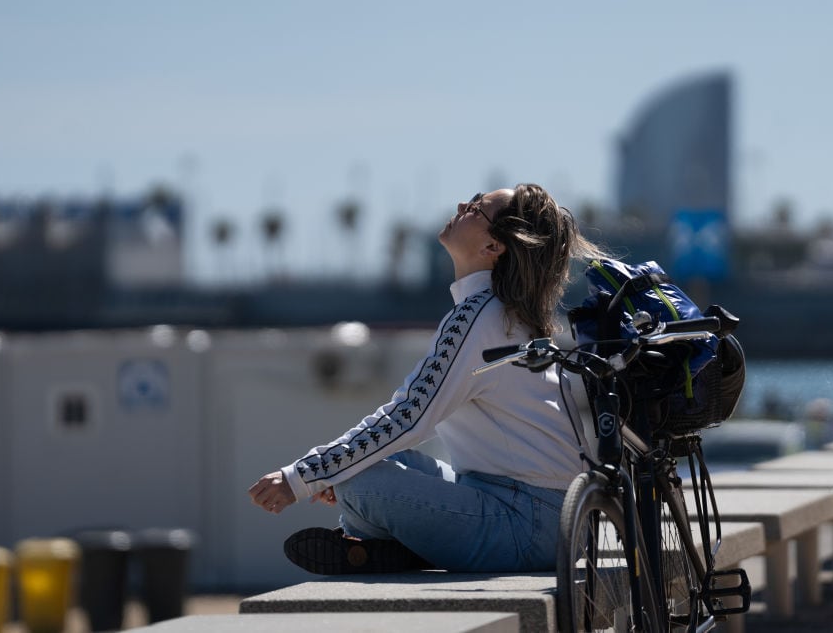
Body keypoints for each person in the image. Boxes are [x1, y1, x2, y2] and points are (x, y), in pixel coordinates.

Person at [248, 183, 606, 574]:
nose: (460, 206)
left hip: (528, 524)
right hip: (546, 517)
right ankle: (388, 547)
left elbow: (408, 417)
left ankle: (375, 546)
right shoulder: (505, 315)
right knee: (378, 462)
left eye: (475, 208)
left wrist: (302, 477)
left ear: (493, 247)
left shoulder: (480, 318)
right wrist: (334, 469)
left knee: (356, 483)